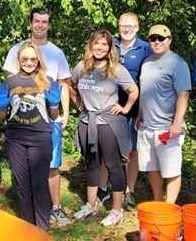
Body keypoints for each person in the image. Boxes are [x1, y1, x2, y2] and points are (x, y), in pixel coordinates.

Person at [3, 7, 72, 226]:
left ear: (49, 25)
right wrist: (2, 108)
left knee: (50, 169)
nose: (40, 25)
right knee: (24, 180)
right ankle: (28, 225)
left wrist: (63, 112)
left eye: (44, 21)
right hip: (19, 128)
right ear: (31, 23)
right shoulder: (16, 49)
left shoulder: (56, 53)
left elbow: (64, 86)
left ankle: (52, 212)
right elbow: (11, 86)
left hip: (45, 124)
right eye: (36, 21)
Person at [71, 30, 138, 227]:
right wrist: (77, 103)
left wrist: (125, 108)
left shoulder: (116, 69)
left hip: (108, 123)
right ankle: (90, 205)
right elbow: (69, 84)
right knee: (91, 164)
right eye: (96, 44)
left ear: (110, 48)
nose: (100, 48)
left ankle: (117, 211)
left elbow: (133, 90)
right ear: (91, 46)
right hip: (87, 122)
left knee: (113, 165)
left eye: (104, 44)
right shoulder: (81, 67)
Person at [0, 41, 59, 232]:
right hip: (16, 138)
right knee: (22, 184)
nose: (29, 62)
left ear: (38, 61)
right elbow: (1, 117)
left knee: (39, 184)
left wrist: (54, 104)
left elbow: (53, 116)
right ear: (19, 60)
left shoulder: (46, 81)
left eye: (33, 59)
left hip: (40, 138)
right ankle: (27, 228)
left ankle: (42, 229)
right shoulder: (10, 82)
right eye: (25, 59)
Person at [97, 12, 152, 210]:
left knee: (132, 151)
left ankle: (130, 191)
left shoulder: (145, 48)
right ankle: (102, 189)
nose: (126, 29)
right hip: (109, 105)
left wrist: (142, 110)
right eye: (123, 25)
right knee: (107, 148)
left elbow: (149, 79)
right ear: (119, 26)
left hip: (134, 107)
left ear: (137, 27)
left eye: (131, 26)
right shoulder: (111, 44)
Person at [137, 25, 191, 203]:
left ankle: (169, 208)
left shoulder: (178, 63)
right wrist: (139, 115)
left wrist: (177, 123)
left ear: (169, 40)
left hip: (167, 129)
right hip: (146, 127)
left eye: (161, 38)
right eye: (153, 39)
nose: (157, 42)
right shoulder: (146, 62)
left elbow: (183, 95)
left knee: (172, 170)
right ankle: (158, 201)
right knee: (152, 168)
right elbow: (144, 92)